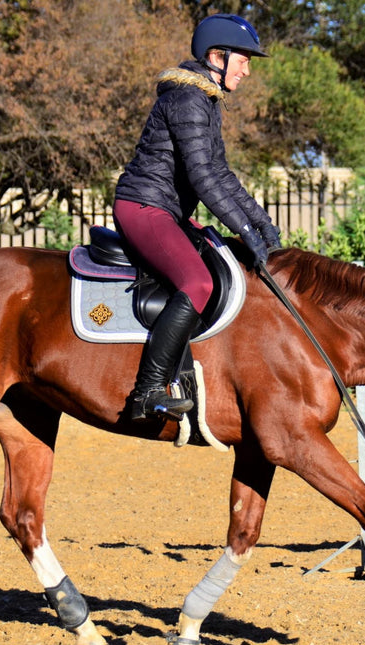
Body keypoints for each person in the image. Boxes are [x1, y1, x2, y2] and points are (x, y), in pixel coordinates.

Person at [113, 14, 281, 422]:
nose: (247, 68)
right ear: (216, 56)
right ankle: (147, 391)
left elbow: (221, 173)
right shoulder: (187, 99)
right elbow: (202, 179)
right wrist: (244, 229)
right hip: (143, 206)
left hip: (166, 210)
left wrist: (262, 224)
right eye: (243, 59)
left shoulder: (205, 100)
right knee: (198, 281)